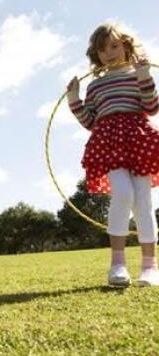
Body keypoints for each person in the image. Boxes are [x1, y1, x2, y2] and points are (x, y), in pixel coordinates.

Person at [67, 22, 159, 288]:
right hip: (108, 141)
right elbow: (90, 121)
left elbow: (152, 107)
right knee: (123, 192)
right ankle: (117, 264)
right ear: (96, 55)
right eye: (102, 50)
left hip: (138, 140)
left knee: (143, 200)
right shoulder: (95, 86)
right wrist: (74, 98)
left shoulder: (137, 74)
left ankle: (149, 267)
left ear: (127, 46)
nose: (108, 53)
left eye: (114, 46)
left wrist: (143, 75)